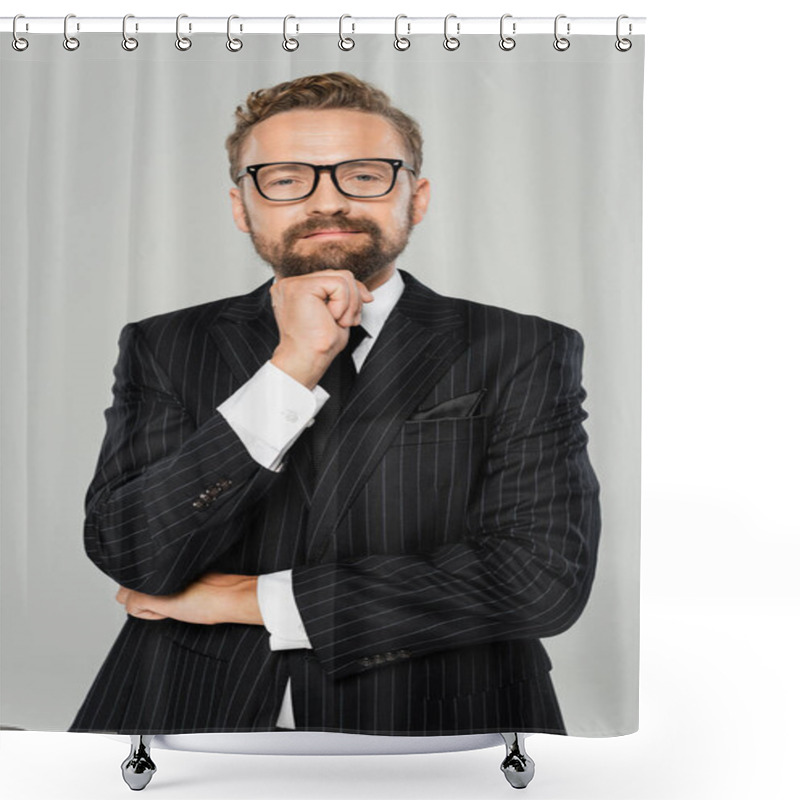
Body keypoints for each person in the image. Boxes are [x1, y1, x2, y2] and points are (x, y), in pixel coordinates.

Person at [70, 72, 600, 736]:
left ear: (417, 196)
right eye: (287, 178)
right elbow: (134, 551)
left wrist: (255, 599)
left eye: (364, 175)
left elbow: (539, 580)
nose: (328, 201)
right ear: (241, 206)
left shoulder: (522, 348)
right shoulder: (166, 345)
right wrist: (291, 369)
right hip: (184, 718)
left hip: (443, 724)